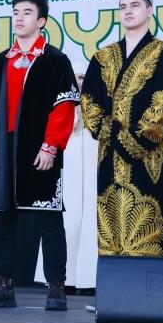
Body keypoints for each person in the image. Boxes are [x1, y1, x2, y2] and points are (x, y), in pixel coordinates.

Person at [0, 0, 80, 310]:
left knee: (49, 219)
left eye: (27, 13)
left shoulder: (55, 60)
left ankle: (56, 288)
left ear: (41, 21)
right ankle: (3, 286)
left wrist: (51, 146)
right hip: (5, 150)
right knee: (2, 219)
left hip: (38, 149)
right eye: (16, 12)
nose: (19, 18)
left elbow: (63, 107)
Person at [80, 0, 163, 258]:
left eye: (135, 5)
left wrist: (131, 140)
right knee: (111, 233)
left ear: (149, 10)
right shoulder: (102, 57)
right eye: (123, 7)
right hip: (110, 160)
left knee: (150, 230)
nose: (128, 11)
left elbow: (162, 106)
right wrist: (112, 132)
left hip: (152, 160)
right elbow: (89, 102)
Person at [36, 72, 98, 291]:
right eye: (76, 78)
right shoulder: (59, 103)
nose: (80, 82)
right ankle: (62, 278)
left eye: (84, 78)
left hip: (92, 165)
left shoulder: (99, 103)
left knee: (92, 217)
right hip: (67, 166)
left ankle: (90, 279)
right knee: (66, 219)